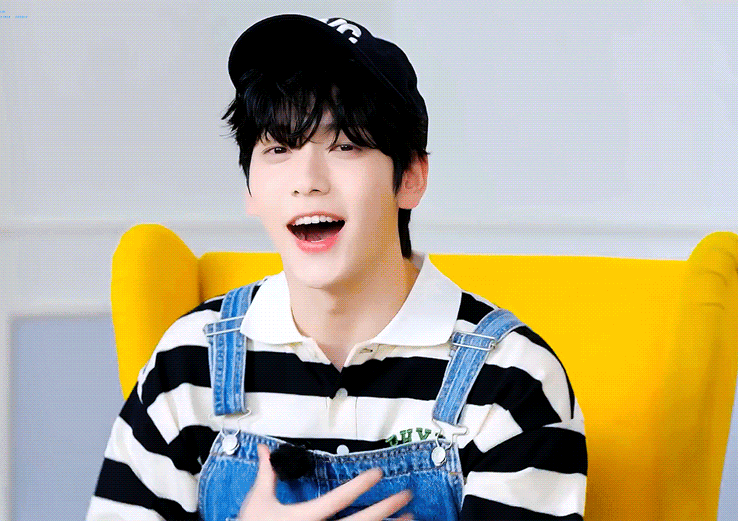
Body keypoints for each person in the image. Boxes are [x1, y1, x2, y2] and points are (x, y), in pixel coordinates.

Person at [86, 14, 587, 521]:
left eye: (345, 145)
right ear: (250, 190)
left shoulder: (513, 381)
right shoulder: (187, 363)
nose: (307, 180)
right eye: (279, 148)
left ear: (411, 178)